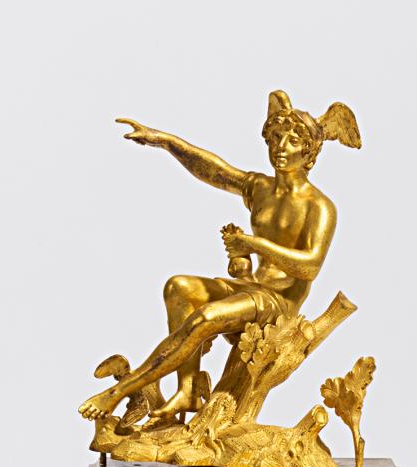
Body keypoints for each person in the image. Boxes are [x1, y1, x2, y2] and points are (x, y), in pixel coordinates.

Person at [78, 91, 360, 422]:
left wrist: (251, 245)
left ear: (309, 152)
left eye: (293, 141)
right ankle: (186, 390)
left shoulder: (319, 206)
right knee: (179, 287)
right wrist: (166, 142)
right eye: (276, 138)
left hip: (278, 304)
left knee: (206, 318)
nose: (281, 147)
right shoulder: (260, 188)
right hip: (249, 289)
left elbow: (309, 266)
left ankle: (117, 393)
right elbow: (215, 171)